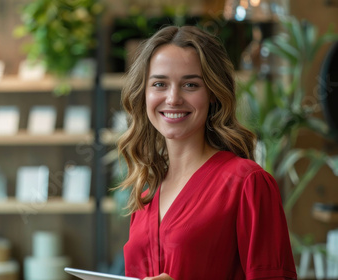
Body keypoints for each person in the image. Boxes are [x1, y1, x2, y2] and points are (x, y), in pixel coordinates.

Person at [116, 25, 297, 280]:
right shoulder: (146, 194)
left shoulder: (247, 183)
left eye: (190, 85)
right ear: (143, 93)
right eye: (159, 84)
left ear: (212, 93)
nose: (173, 98)